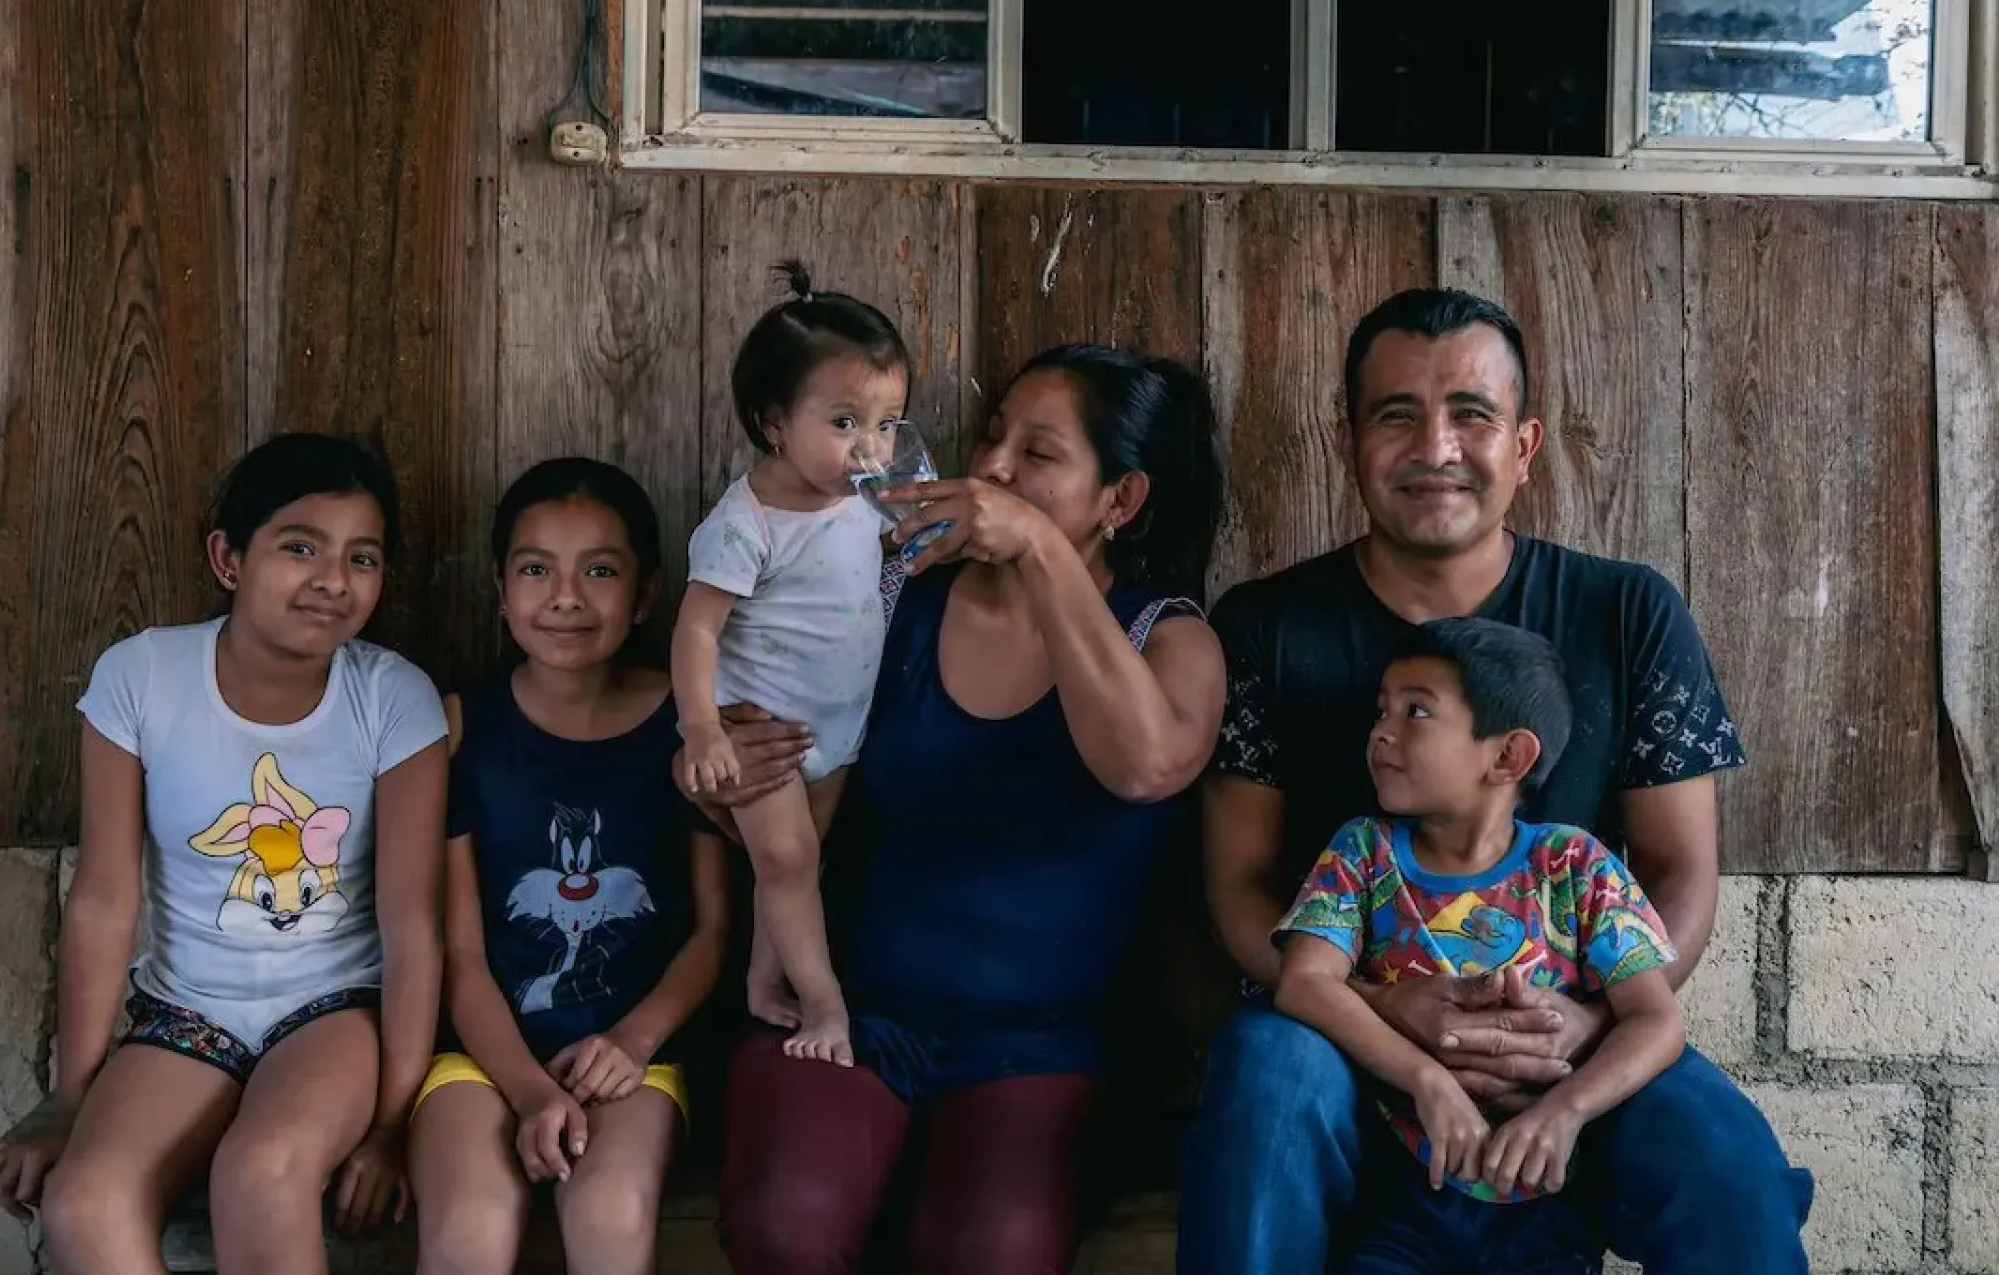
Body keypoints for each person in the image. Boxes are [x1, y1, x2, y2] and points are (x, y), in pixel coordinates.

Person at [1181, 288, 1813, 1275]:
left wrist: (1586, 1023)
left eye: (1470, 415)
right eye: (1397, 415)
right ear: (1348, 439)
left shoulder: (1626, 612)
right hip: (1340, 1042)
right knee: (1263, 1086)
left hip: (1570, 1045)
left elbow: (1679, 869)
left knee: (1729, 1169)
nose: (1435, 447)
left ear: (1522, 446)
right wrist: (1391, 1007)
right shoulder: (1266, 625)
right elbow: (1239, 886)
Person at [695, 344, 1229, 1275]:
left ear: (1123, 500)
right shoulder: (891, 598)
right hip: (853, 1019)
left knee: (990, 1252)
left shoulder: (1165, 637)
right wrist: (713, 769)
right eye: (992, 438)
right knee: (788, 1223)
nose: (991, 470)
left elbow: (1146, 766)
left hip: (1043, 1049)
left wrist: (1034, 547)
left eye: (1039, 454)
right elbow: (769, 769)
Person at [0, 432, 450, 1274]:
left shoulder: (392, 699)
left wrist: (390, 1125)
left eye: (362, 557)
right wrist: (68, 1098)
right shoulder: (142, 678)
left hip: (334, 1011)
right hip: (186, 1016)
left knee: (261, 1173)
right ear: (228, 558)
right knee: (86, 1204)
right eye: (300, 547)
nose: (334, 579)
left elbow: (411, 924)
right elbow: (106, 900)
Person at [1276, 618, 1685, 1275]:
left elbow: (1656, 1020)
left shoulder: (1573, 865)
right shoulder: (1365, 852)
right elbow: (1304, 981)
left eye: (1416, 712)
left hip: (1544, 1203)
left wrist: (1564, 1112)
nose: (1381, 730)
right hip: (1401, 1194)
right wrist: (1428, 1080)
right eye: (1381, 709)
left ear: (1507, 758)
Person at [409, 457, 730, 1275]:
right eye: (535, 569)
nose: (565, 597)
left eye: (600, 571)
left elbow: (712, 928)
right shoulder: (459, 730)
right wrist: (527, 1090)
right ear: (499, 586)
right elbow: (462, 954)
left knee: (610, 1215)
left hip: (638, 1055)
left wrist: (632, 1040)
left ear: (647, 594)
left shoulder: (687, 726)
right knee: (468, 1232)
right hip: (481, 1058)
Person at [671, 261, 909, 1066]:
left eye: (887, 424)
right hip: (760, 727)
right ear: (775, 422)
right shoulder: (746, 525)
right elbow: (696, 630)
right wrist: (702, 729)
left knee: (798, 869)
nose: (870, 448)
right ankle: (826, 1006)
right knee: (788, 860)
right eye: (845, 422)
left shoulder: (862, 497)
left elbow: (872, 561)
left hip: (837, 729)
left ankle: (763, 980)